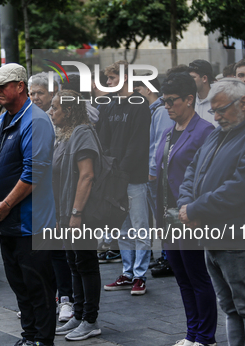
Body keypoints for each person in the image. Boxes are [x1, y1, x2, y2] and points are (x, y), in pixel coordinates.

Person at [178, 78, 245, 346]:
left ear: (244, 103)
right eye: (213, 110)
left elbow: (242, 188)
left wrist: (195, 208)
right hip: (212, 232)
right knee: (230, 308)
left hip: (241, 237)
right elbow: (193, 169)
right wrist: (188, 204)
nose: (216, 117)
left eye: (221, 109)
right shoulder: (219, 132)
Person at [0, 63, 56, 346]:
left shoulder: (35, 120)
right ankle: (29, 336)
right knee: (19, 285)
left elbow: (34, 172)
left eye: (3, 86)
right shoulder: (2, 120)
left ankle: (42, 339)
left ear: (20, 86)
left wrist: (5, 204)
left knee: (38, 284)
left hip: (32, 223)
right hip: (7, 222)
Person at [154, 73, 216, 346]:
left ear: (189, 99)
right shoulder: (168, 132)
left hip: (190, 216)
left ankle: (206, 337)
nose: (166, 106)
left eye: (171, 101)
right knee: (182, 278)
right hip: (167, 217)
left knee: (197, 277)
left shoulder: (204, 131)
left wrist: (197, 212)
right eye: (163, 101)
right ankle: (192, 334)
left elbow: (211, 177)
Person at [50, 90, 102, 341]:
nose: (51, 113)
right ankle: (79, 315)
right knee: (73, 261)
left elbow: (87, 175)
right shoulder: (64, 135)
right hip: (65, 213)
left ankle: (90, 320)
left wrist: (76, 213)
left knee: (85, 263)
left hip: (80, 214)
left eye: (55, 108)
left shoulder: (83, 133)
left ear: (69, 111)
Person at [99, 60, 152, 296]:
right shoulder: (109, 106)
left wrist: (121, 171)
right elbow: (104, 139)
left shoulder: (139, 106)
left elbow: (138, 144)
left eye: (111, 78)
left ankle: (140, 275)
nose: (108, 83)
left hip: (134, 178)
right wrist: (108, 169)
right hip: (115, 178)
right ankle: (128, 272)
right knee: (122, 228)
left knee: (140, 227)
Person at [30, 73, 75, 323]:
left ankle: (66, 298)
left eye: (41, 93)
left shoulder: (61, 116)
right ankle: (47, 298)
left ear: (53, 93)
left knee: (60, 250)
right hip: (38, 193)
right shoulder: (30, 118)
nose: (36, 97)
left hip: (59, 192)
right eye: (32, 93)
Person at [134, 76, 175, 278]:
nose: (135, 91)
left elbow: (160, 144)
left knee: (163, 216)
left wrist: (152, 171)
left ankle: (169, 257)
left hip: (156, 174)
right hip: (152, 173)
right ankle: (166, 255)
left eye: (138, 87)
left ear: (149, 89)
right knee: (159, 217)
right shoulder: (152, 110)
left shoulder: (160, 111)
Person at [188, 59, 217, 126]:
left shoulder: (219, 100)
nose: (189, 81)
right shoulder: (190, 101)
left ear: (204, 78)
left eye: (193, 77)